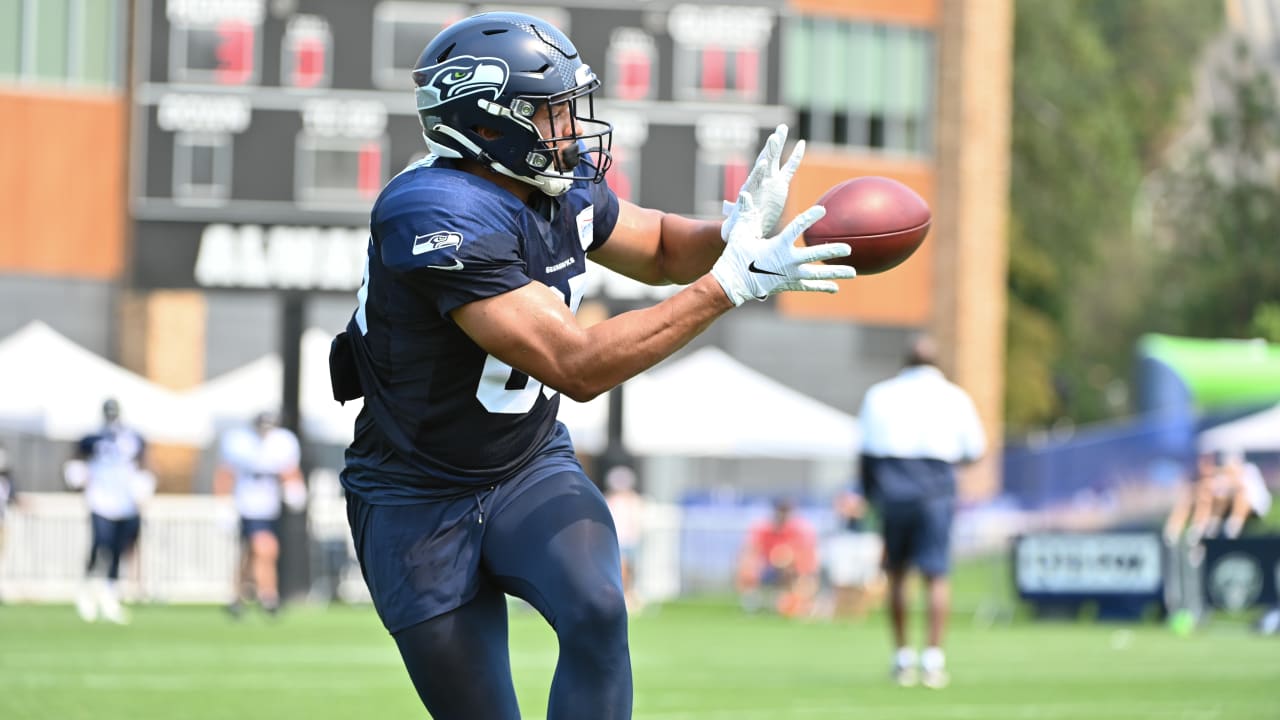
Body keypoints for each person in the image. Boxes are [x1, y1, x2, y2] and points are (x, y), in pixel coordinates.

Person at [328, 11, 855, 718]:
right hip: (416, 493)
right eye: (549, 113)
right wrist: (731, 283)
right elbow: (573, 365)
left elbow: (664, 247)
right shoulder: (433, 210)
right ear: (486, 125)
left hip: (525, 466)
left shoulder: (555, 183)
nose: (571, 130)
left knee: (600, 607)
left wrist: (731, 235)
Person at [858, 335, 986, 689]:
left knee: (897, 574)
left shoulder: (880, 395)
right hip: (935, 491)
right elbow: (975, 450)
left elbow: (866, 453)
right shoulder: (954, 396)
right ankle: (933, 658)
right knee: (936, 574)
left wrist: (871, 496)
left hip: (894, 489)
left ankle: (902, 658)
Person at [63, 398, 155, 624]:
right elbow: (75, 460)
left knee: (118, 549)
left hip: (125, 502)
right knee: (99, 544)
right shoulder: (92, 439)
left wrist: (143, 487)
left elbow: (145, 463)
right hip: (101, 500)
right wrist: (78, 477)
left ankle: (109, 592)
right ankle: (87, 589)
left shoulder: (133, 438)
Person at [213, 410, 306, 618]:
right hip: (247, 504)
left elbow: (289, 470)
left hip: (271, 505)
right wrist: (223, 505)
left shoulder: (283, 443)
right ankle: (268, 596)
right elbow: (225, 474)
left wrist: (294, 489)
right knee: (265, 547)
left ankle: (237, 596)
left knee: (252, 552)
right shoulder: (240, 442)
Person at [735, 497, 820, 617]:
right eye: (780, 511)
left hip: (795, 569)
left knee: (804, 581)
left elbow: (806, 557)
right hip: (767, 568)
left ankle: (795, 604)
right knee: (747, 570)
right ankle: (756, 604)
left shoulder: (800, 530)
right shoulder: (762, 529)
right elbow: (750, 551)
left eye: (785, 511)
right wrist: (749, 567)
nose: (782, 515)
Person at [603, 465, 646, 613]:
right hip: (617, 540)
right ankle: (621, 597)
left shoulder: (634, 500)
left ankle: (628, 597)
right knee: (622, 570)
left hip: (631, 540)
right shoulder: (609, 500)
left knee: (630, 570)